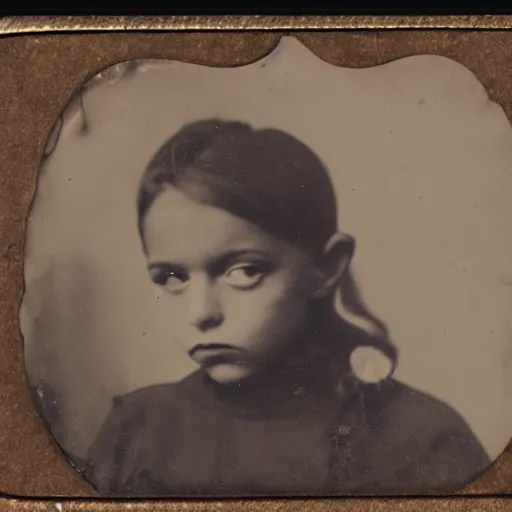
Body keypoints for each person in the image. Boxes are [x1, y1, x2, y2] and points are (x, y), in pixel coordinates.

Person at [85, 119, 490, 497]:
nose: (201, 313)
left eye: (244, 271)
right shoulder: (136, 429)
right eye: (172, 277)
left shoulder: (418, 439)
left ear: (326, 267)